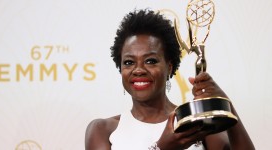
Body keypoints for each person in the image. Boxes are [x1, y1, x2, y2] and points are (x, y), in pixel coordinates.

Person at [85, 9, 255, 150]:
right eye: (129, 62)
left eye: (150, 61)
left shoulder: (196, 124)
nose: (138, 70)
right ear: (120, 69)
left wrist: (227, 107)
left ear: (170, 67)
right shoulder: (103, 130)